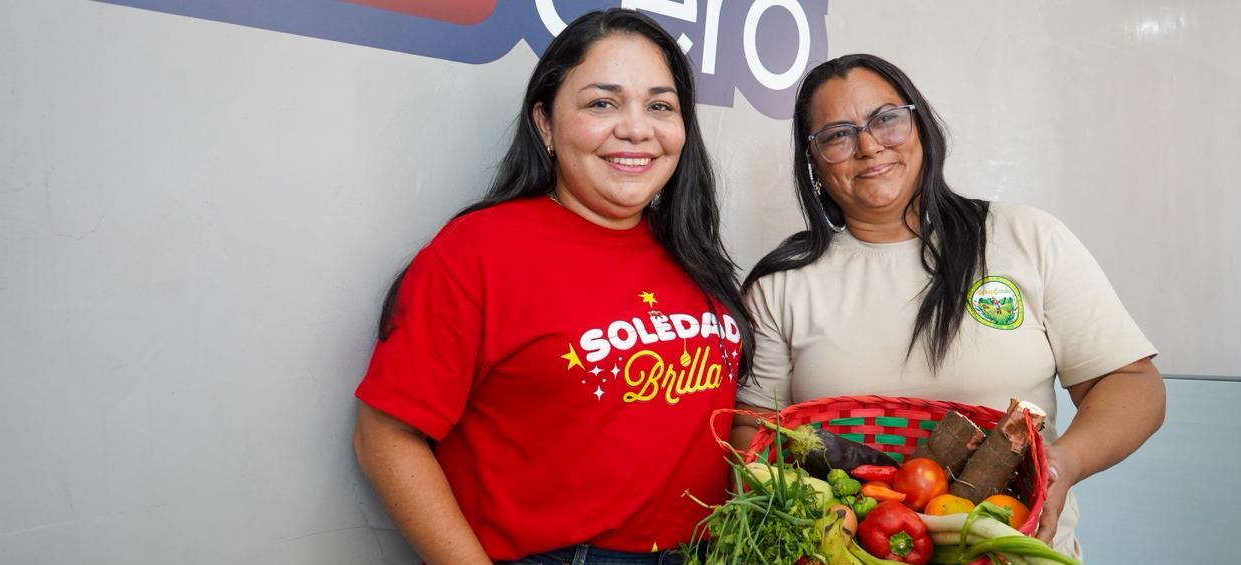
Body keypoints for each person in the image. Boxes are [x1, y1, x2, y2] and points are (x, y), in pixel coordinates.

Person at [352, 9, 754, 565]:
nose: (638, 128)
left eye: (660, 105)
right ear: (545, 123)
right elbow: (384, 438)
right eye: (601, 103)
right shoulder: (479, 250)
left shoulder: (691, 249)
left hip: (709, 550)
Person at [732, 54, 1165, 558]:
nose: (869, 145)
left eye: (885, 119)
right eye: (837, 135)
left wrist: (1064, 463)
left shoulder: (1025, 238)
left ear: (920, 125)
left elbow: (1131, 383)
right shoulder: (781, 284)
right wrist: (782, 514)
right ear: (812, 160)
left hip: (1012, 553)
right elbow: (753, 428)